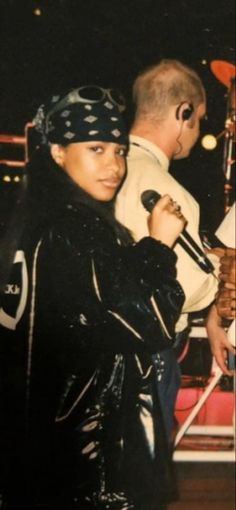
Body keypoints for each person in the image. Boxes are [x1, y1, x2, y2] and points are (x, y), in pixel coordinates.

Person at [0, 86, 186, 510]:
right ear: (59, 152)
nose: (114, 165)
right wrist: (159, 246)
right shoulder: (78, 229)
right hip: (85, 462)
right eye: (96, 148)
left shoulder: (29, 223)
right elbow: (150, 321)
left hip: (33, 451)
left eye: (119, 151)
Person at [115, 58, 232, 433]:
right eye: (198, 119)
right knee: (144, 479)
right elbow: (185, 291)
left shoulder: (104, 171)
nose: (198, 133)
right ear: (184, 112)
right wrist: (215, 272)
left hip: (102, 350)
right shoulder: (168, 191)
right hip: (150, 357)